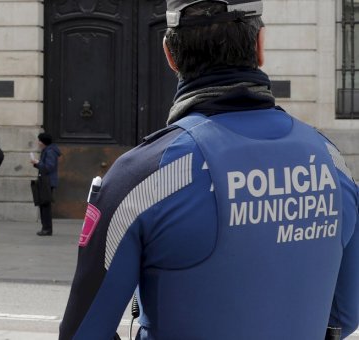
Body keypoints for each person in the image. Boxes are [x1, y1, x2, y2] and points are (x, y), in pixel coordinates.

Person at [59, 1, 359, 339]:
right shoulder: (332, 163)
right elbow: (343, 317)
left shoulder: (141, 178)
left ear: (170, 55)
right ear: (260, 46)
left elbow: (82, 334)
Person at [31, 132, 61, 236]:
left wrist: (37, 163)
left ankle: (47, 229)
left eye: (39, 140)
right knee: (43, 204)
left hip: (47, 181)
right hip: (46, 180)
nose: (38, 142)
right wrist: (37, 163)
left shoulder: (50, 151)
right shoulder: (48, 150)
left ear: (43, 142)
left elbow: (48, 167)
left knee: (45, 205)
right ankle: (45, 227)